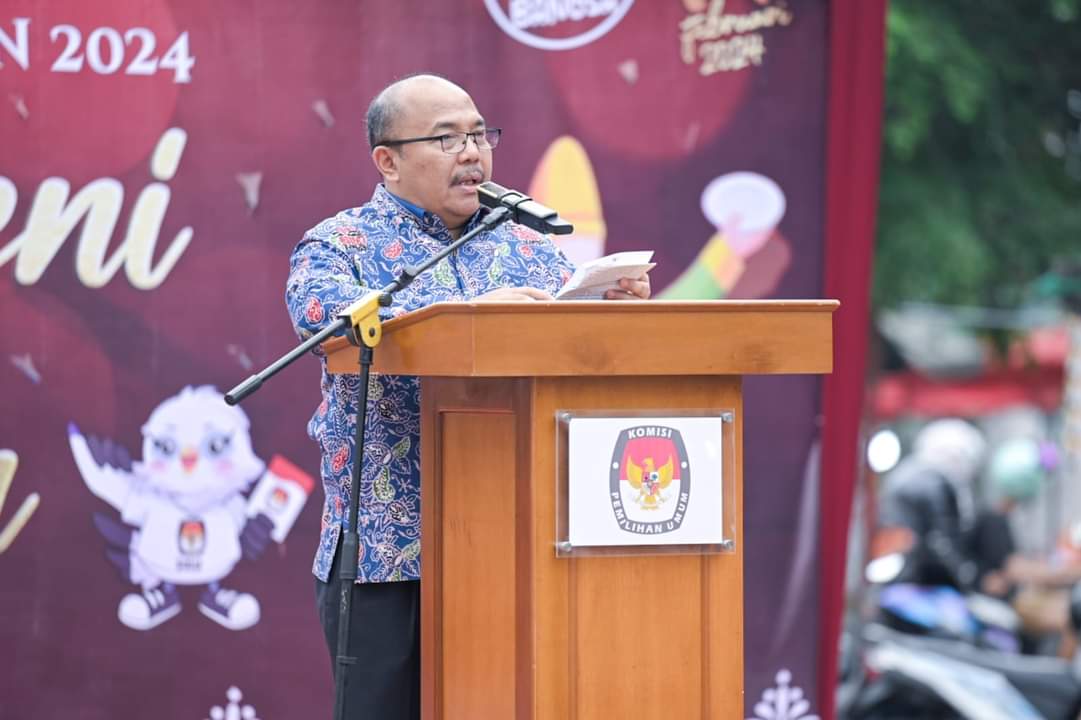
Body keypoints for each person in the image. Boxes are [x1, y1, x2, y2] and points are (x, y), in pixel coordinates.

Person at [285, 73, 650, 719]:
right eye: (447, 138)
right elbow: (322, 317)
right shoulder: (339, 245)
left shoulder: (530, 248)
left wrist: (608, 309)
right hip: (389, 546)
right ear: (388, 161)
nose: (472, 152)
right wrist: (468, 315)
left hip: (517, 540)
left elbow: (577, 359)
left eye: (479, 135)